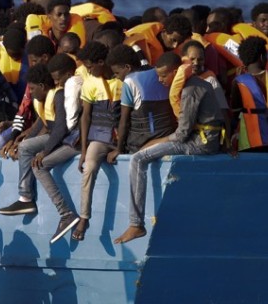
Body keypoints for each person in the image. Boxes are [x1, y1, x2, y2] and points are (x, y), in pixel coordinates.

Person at [114, 50, 229, 244]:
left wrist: (156, 142)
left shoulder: (190, 90)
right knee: (143, 153)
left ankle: (136, 224)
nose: (160, 80)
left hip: (200, 143)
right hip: (201, 139)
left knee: (138, 158)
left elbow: (182, 134)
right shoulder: (195, 83)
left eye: (163, 75)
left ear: (176, 72)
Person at [0, 63, 81, 243]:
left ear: (43, 87)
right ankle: (26, 197)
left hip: (69, 139)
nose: (31, 93)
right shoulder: (41, 99)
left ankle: (48, 206)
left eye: (33, 89)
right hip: (54, 136)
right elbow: (41, 122)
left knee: (34, 158)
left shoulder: (57, 95)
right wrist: (18, 138)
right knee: (25, 146)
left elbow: (60, 128)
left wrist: (45, 151)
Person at [74, 42, 123, 241]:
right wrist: (84, 151)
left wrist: (120, 148)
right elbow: (85, 117)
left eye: (90, 66)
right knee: (90, 167)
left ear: (102, 62)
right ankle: (84, 217)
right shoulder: (91, 83)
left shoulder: (123, 80)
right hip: (100, 138)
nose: (88, 70)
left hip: (124, 138)